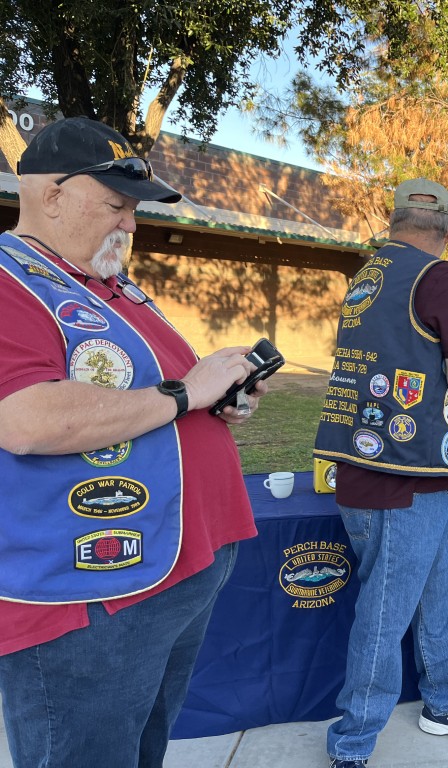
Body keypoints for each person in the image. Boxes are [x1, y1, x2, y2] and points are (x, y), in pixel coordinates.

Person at [0, 117, 267, 767]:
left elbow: (149, 397)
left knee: (141, 744)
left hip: (178, 562)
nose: (130, 224)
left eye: (135, 210)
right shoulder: (13, 281)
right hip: (89, 591)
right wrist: (185, 396)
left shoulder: (113, 288)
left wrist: (218, 401)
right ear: (51, 194)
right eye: (118, 205)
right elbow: (26, 418)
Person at [313, 179, 448, 768]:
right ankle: (354, 738)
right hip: (406, 474)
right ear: (447, 230)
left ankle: (446, 701)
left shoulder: (367, 279)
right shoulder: (442, 278)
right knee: (386, 610)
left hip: (361, 463)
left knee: (433, 591)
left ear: (393, 224)